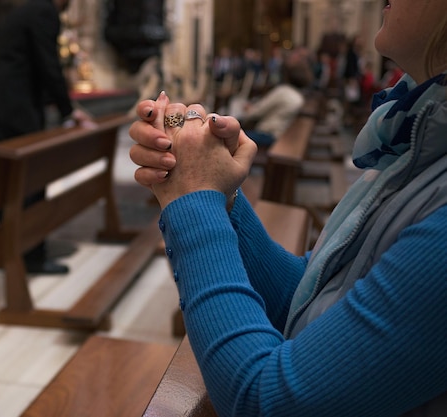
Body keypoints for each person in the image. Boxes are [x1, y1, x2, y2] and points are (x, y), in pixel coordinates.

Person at [128, 1, 447, 415]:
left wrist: (194, 202)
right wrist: (223, 199)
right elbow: (308, 298)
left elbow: (266, 402)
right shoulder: (416, 140)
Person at [0, 0, 94, 274]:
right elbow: (47, 63)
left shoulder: (27, 9)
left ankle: (10, 251)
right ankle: (29, 257)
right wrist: (68, 110)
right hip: (14, 106)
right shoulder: (44, 11)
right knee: (29, 181)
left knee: (10, 182)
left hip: (4, 104)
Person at [236, 50, 313, 147]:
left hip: (268, 135)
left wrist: (248, 110)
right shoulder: (299, 96)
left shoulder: (283, 92)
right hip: (280, 134)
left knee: (232, 136)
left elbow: (258, 111)